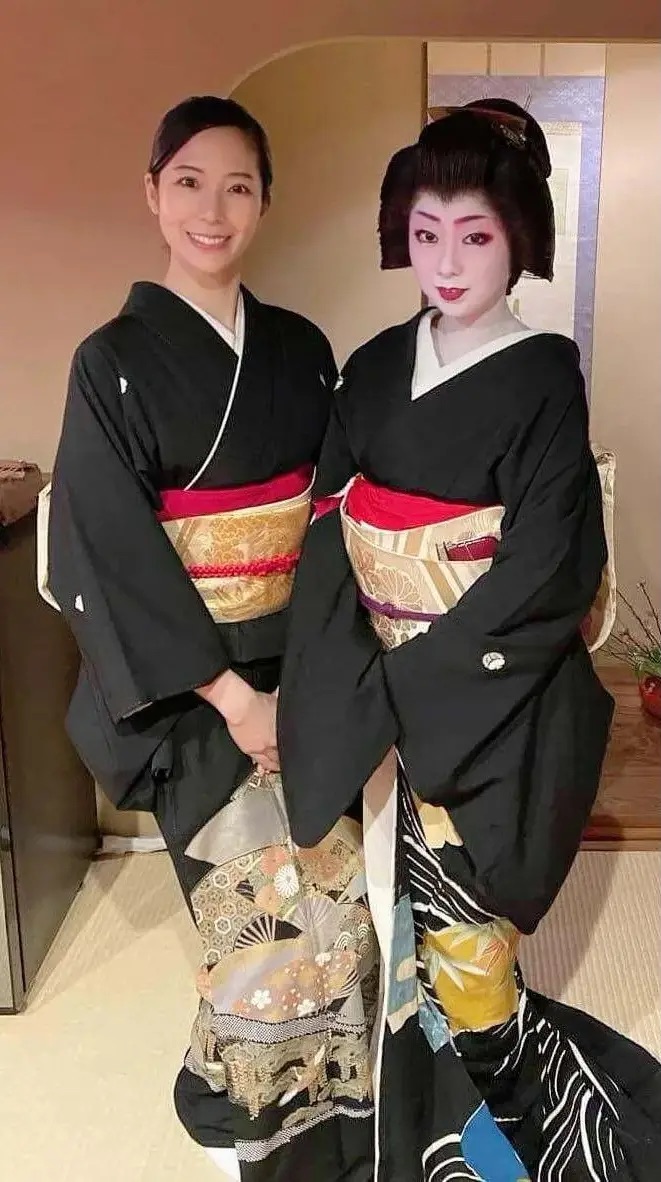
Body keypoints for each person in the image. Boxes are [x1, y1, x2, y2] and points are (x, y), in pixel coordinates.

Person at [278, 100, 661, 1180]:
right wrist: (345, 688)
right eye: (425, 233)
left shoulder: (542, 374)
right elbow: (328, 525)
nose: (445, 264)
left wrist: (412, 686)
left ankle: (487, 1131)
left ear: (518, 239)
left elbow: (548, 571)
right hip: (376, 690)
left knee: (467, 948)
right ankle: (396, 1119)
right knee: (367, 927)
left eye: (475, 235)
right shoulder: (369, 368)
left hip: (481, 708)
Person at [43, 96, 378, 1181]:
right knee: (257, 925)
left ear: (264, 203)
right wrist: (235, 699)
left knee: (340, 912)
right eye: (188, 182)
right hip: (197, 694)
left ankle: (335, 1113)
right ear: (152, 194)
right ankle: (265, 1140)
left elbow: (329, 526)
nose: (212, 209)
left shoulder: (300, 351)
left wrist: (313, 685)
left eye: (238, 186)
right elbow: (109, 549)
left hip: (304, 677)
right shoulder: (109, 361)